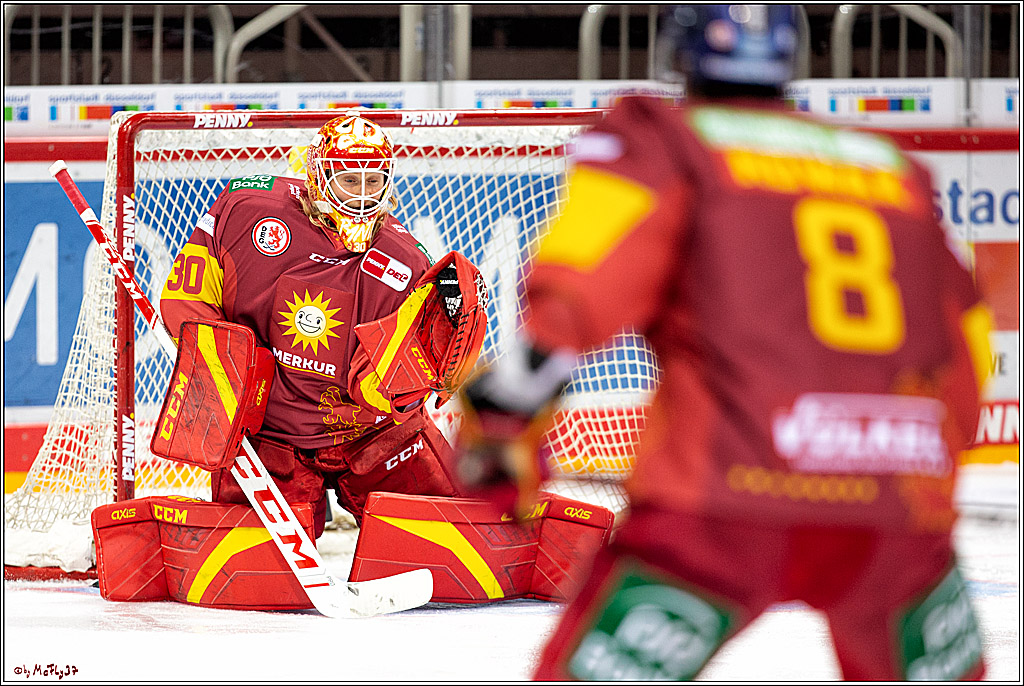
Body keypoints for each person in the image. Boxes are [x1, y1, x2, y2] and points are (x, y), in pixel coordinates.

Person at [454, 5, 991, 680]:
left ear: (680, 53)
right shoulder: (894, 171)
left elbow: (581, 292)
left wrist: (503, 417)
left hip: (726, 506)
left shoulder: (666, 140)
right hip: (895, 514)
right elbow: (968, 353)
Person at [158, 113, 478, 537]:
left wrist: (443, 343)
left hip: (369, 435)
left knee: (451, 541)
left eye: (373, 181)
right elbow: (188, 298)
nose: (363, 197)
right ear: (318, 176)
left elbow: (393, 386)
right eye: (350, 180)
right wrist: (217, 370)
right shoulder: (246, 211)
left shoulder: (406, 263)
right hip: (270, 435)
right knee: (260, 575)